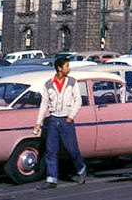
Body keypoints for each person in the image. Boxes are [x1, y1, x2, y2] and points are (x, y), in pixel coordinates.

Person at [34, 56, 87, 188]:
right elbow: (44, 103)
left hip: (66, 120)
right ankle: (51, 179)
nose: (69, 69)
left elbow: (78, 100)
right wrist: (38, 122)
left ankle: (81, 170)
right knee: (51, 151)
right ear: (59, 68)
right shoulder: (48, 84)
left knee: (72, 149)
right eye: (67, 66)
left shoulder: (72, 82)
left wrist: (70, 116)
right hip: (53, 120)